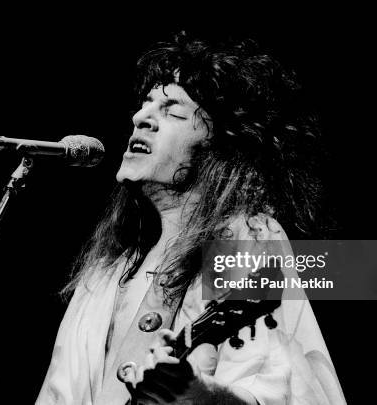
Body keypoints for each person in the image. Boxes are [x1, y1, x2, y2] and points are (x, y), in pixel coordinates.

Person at [37, 32, 345, 404]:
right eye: (145, 105)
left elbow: (273, 385)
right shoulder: (106, 272)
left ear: (219, 142)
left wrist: (200, 394)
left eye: (172, 110)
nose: (140, 118)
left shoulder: (244, 237)